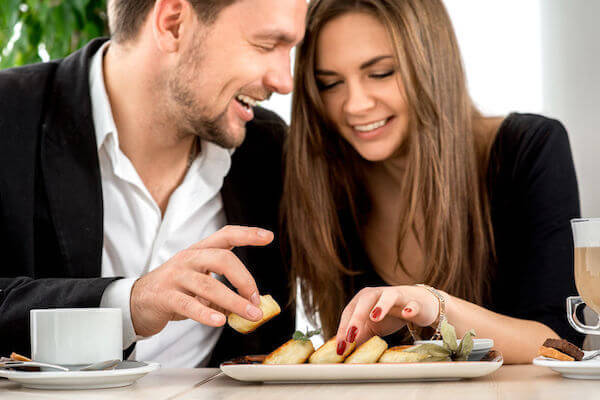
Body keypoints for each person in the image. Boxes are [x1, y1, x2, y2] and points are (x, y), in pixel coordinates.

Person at [0, 0, 307, 367]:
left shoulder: (271, 151)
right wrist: (128, 303)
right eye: (265, 45)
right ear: (174, 23)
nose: (284, 81)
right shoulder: (9, 116)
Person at [283, 0, 582, 364]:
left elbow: (558, 344)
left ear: (432, 65)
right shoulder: (320, 180)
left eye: (381, 73)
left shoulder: (529, 148)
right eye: (329, 84)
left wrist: (433, 306)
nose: (354, 104)